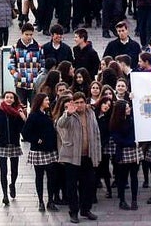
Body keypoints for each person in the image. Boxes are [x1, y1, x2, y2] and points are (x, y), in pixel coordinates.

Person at [57, 91, 101, 224]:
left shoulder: (91, 113)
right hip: (72, 156)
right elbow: (60, 124)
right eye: (77, 102)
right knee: (71, 186)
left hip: (88, 156)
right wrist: (68, 113)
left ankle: (85, 209)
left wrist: (97, 155)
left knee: (88, 184)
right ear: (73, 103)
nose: (80, 105)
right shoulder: (69, 115)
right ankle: (73, 212)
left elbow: (96, 133)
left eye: (82, 102)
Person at [0, 90, 27, 206]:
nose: (9, 99)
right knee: (3, 170)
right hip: (1, 144)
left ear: (14, 100)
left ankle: (12, 184)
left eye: (11, 98)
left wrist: (23, 117)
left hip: (14, 144)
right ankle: (4, 195)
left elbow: (24, 128)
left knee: (15, 170)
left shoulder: (18, 112)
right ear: (3, 99)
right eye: (7, 97)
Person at [24, 93, 62, 212]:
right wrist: (36, 139)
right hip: (39, 151)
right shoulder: (34, 116)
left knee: (52, 177)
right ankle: (41, 201)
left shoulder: (48, 113)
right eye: (46, 100)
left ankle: (50, 200)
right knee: (39, 176)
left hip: (50, 150)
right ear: (40, 101)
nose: (48, 101)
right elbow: (25, 132)